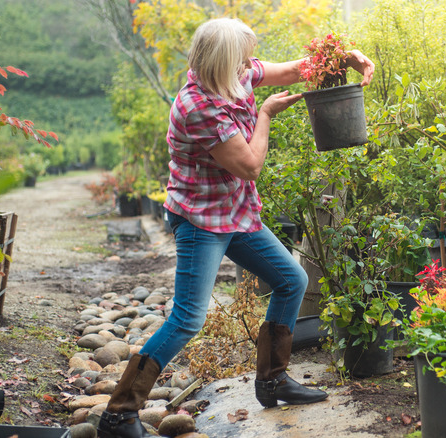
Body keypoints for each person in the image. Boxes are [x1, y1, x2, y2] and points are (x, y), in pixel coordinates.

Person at [97, 17, 375, 438]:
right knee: (189, 318)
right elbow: (249, 165)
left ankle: (273, 380)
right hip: (200, 220)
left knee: (290, 280)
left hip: (236, 213)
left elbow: (289, 69)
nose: (250, 63)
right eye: (242, 57)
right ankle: (119, 413)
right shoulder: (198, 105)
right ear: (222, 62)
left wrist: (341, 57)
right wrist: (265, 114)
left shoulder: (235, 74)